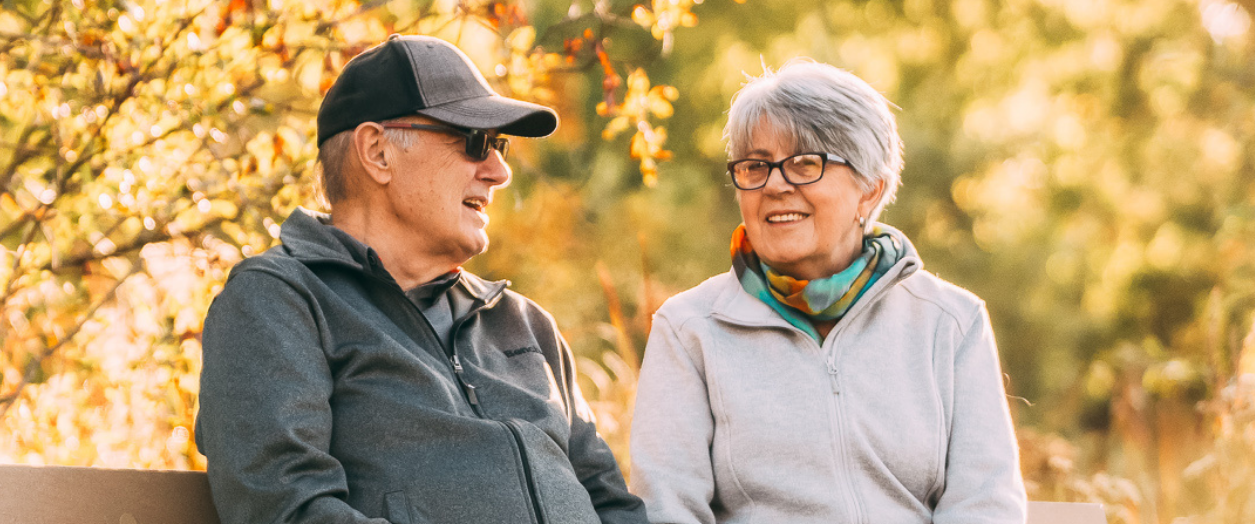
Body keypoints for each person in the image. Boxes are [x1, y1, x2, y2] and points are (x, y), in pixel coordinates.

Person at [196, 34, 649, 524]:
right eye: (475, 142)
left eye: (499, 146)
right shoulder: (279, 302)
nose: (499, 171)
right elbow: (287, 508)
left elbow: (612, 506)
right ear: (378, 152)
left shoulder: (523, 324)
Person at [628, 60, 1026, 523]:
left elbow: (985, 504)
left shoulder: (951, 323)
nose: (775, 184)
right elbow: (667, 509)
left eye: (804, 163)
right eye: (755, 166)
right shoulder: (690, 329)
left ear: (869, 190)